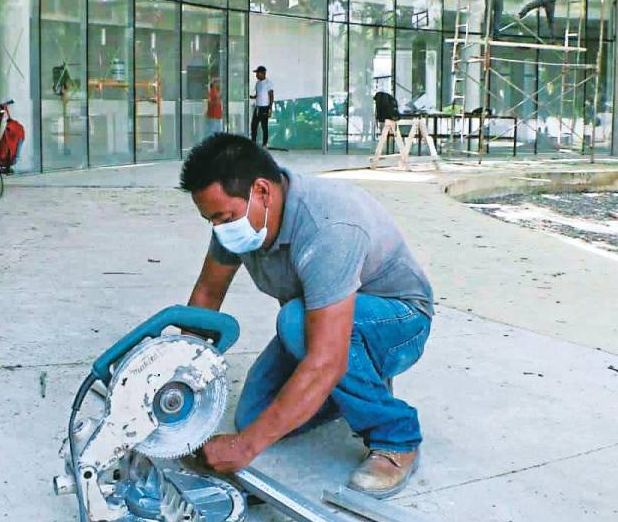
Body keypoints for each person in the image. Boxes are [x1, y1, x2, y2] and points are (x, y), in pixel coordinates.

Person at [182, 134, 434, 497]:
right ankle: (345, 393)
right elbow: (207, 293)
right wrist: (176, 373)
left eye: (223, 218)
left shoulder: (328, 226)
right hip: (323, 317)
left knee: (295, 323)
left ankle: (396, 436)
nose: (220, 229)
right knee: (253, 417)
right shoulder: (237, 218)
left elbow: (327, 360)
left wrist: (244, 448)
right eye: (211, 221)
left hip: (398, 322)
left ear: (262, 191)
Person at [249, 65, 273, 147]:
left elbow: (271, 95)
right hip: (257, 107)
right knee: (254, 125)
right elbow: (258, 94)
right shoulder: (258, 83)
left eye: (258, 73)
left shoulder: (268, 83)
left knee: (264, 126)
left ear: (263, 73)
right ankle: (253, 143)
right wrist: (253, 97)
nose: (256, 75)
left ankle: (264, 144)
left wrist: (270, 108)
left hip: (265, 108)